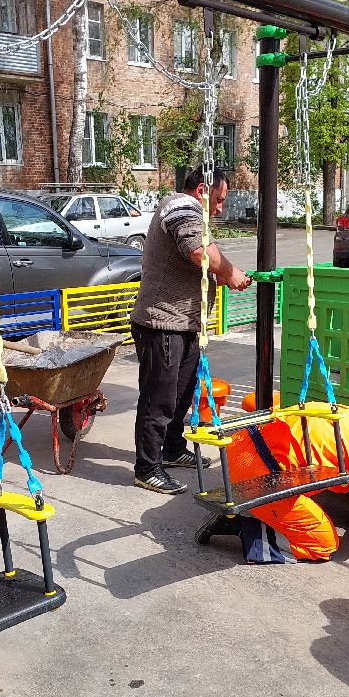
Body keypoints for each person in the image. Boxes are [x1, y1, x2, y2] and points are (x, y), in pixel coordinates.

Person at [130, 166, 252, 494]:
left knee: (182, 393)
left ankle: (170, 448)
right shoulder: (180, 207)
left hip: (183, 325)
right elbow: (199, 252)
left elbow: (207, 254)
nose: (221, 207)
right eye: (219, 199)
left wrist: (226, 272)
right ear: (201, 190)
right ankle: (147, 467)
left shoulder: (194, 213)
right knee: (160, 398)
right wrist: (229, 271)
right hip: (162, 323)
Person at [200, 400, 349, 562]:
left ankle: (262, 511)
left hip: (238, 445)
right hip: (256, 474)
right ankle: (242, 528)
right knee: (322, 544)